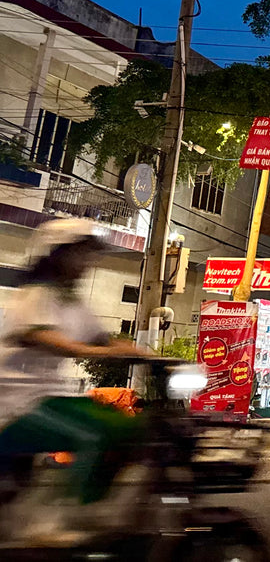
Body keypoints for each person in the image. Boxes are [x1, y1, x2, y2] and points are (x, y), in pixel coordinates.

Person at [0, 218, 157, 544]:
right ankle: (52, 517)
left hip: (51, 399)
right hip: (15, 404)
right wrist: (93, 350)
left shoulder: (73, 302)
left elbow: (106, 341)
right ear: (57, 254)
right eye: (81, 253)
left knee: (127, 427)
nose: (88, 262)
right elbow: (46, 339)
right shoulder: (33, 295)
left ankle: (95, 506)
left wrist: (153, 356)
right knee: (91, 434)